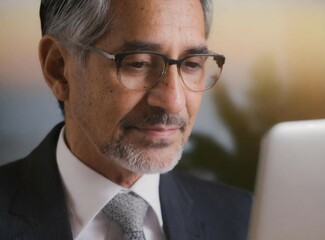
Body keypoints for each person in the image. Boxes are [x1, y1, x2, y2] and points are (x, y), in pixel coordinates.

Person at [0, 0, 252, 239]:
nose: (173, 101)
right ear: (59, 69)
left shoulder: (246, 221)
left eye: (192, 64)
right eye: (138, 63)